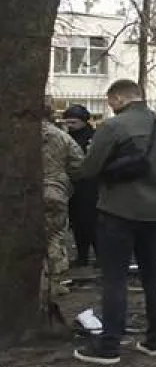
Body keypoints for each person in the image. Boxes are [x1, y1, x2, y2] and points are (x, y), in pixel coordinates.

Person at [73, 79, 156, 365]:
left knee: (114, 279)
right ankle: (155, 340)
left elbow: (89, 168)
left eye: (110, 102)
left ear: (119, 98)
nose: (110, 107)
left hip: (118, 210)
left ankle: (109, 346)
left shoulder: (114, 127)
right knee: (153, 276)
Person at [42, 98, 84, 302]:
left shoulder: (14, 135)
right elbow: (78, 164)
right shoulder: (62, 137)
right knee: (54, 236)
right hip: (54, 191)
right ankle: (53, 283)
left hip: (23, 193)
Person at [61, 105, 97, 266]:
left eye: (73, 122)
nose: (70, 125)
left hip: (90, 186)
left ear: (83, 121)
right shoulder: (66, 137)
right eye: (67, 122)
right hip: (73, 185)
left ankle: (98, 256)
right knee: (77, 224)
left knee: (92, 223)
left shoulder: (93, 137)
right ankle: (82, 256)